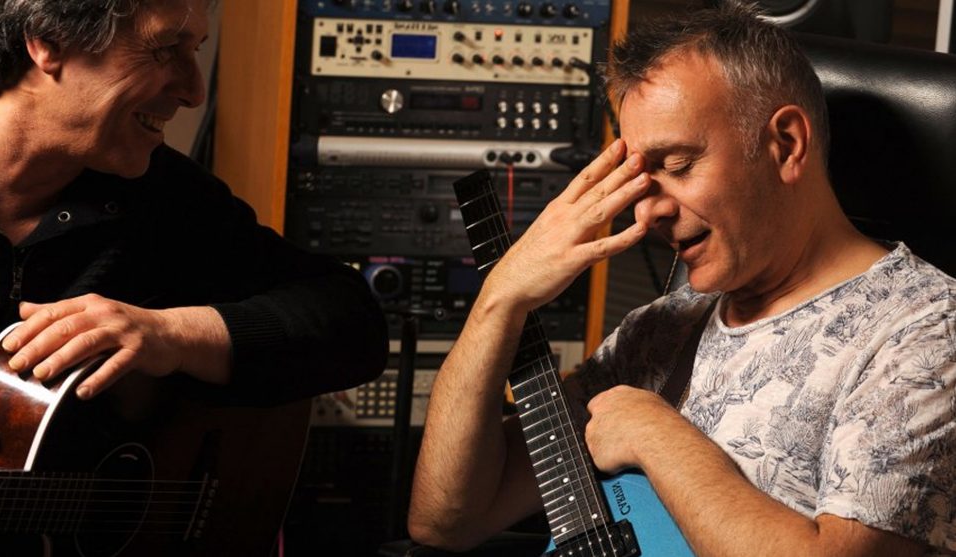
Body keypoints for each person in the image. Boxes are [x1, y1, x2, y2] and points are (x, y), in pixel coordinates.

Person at [408, 2, 956, 556]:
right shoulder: (659, 330)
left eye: (676, 166)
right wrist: (500, 299)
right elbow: (446, 519)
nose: (649, 212)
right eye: (640, 181)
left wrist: (656, 436)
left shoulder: (925, 332)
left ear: (786, 144)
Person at [0, 0, 387, 553]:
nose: (194, 91)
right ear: (48, 41)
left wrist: (172, 335)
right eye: (166, 49)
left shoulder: (165, 199)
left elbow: (353, 323)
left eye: (196, 52)